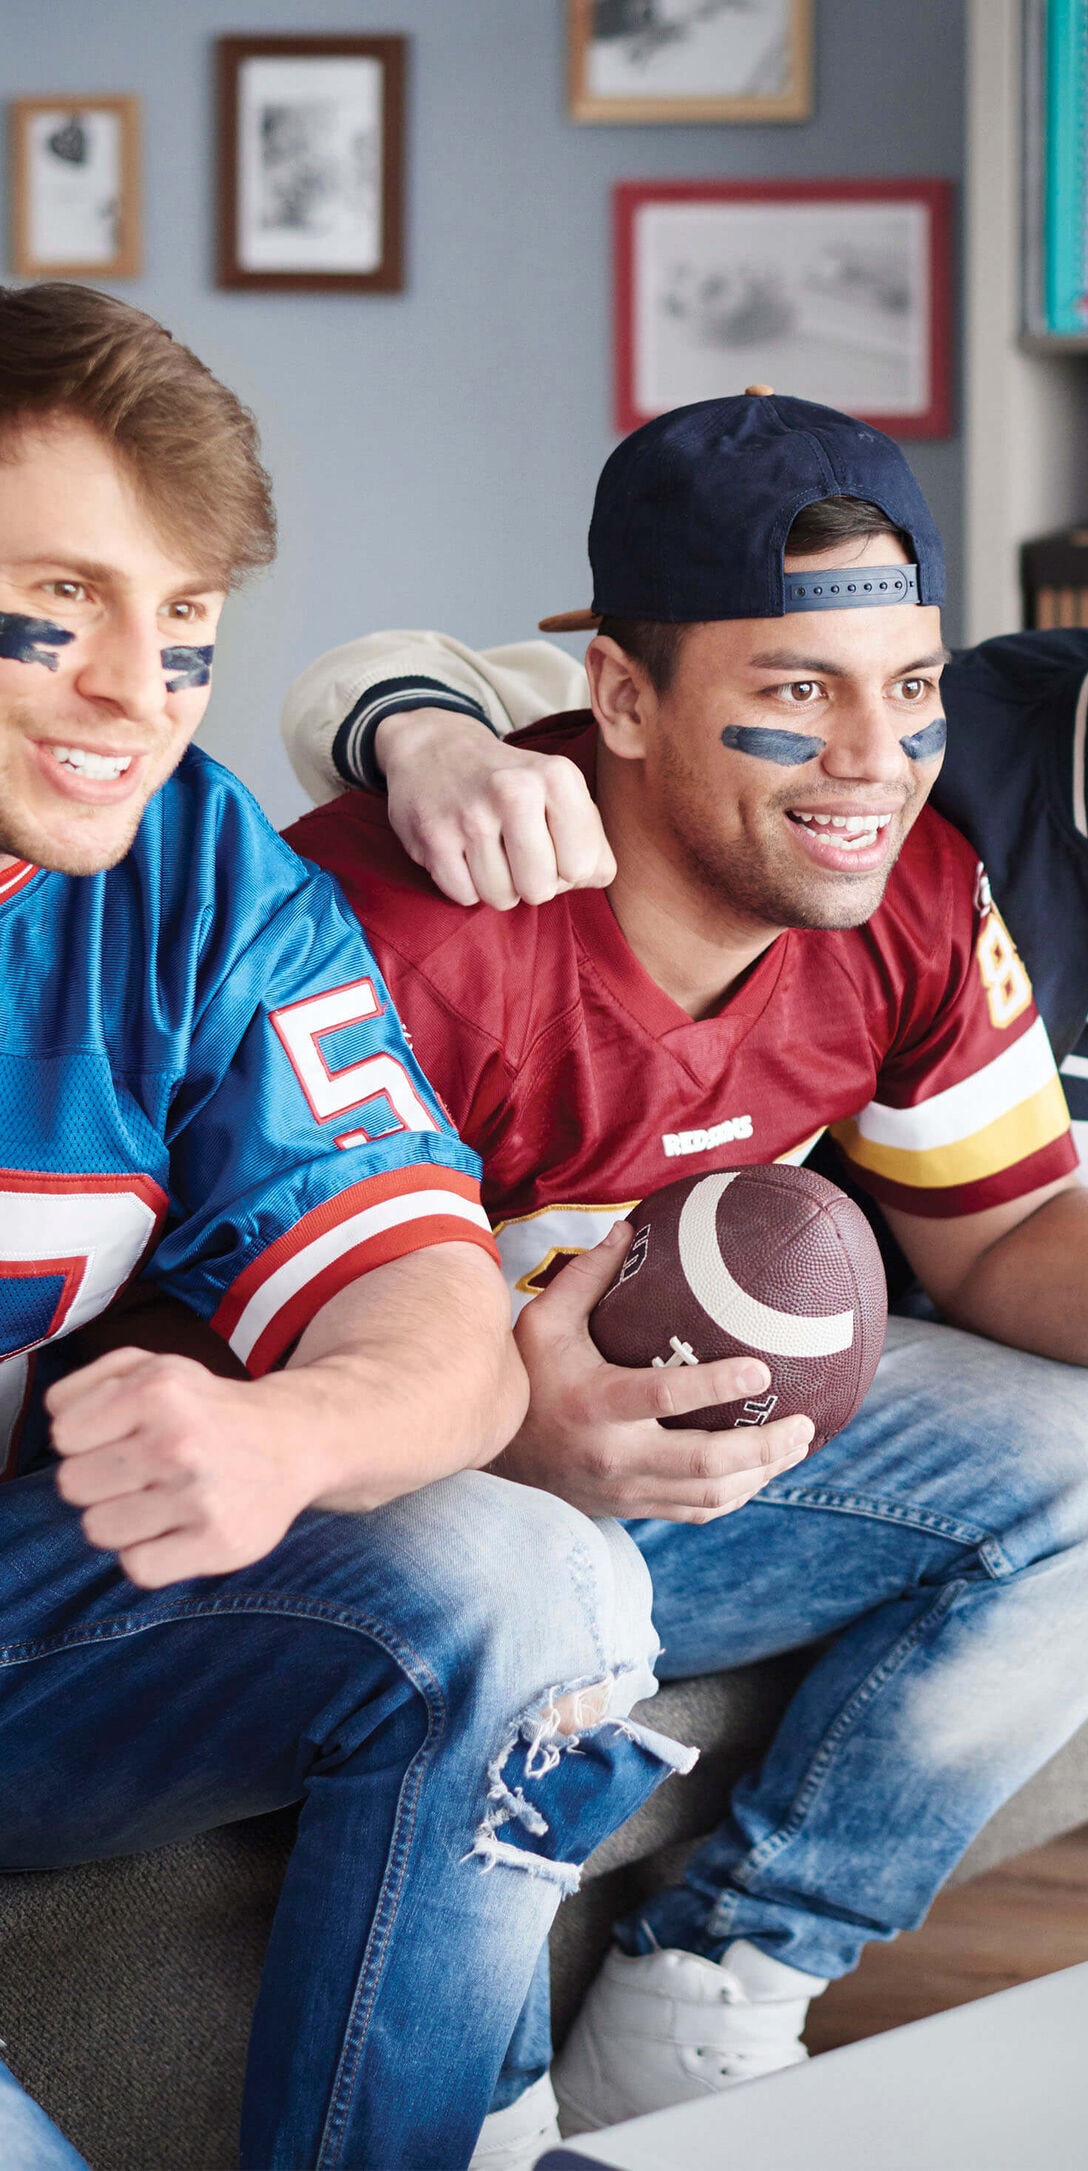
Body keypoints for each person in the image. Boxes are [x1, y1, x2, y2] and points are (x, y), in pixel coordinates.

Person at [281, 388, 1088, 2141]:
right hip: (395, 1492)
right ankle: (481, 2111)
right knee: (523, 1578)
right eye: (795, 699)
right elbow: (240, 1353)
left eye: (904, 696)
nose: (873, 757)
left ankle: (721, 1981)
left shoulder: (907, 877)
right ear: (615, 702)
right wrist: (412, 727)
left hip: (697, 1433)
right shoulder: (438, 899)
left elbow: (1011, 1232)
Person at [0, 284, 691, 2171]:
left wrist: (281, 1433)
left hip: (19, 1627)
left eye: (190, 627)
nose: (138, 688)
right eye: (55, 608)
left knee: (528, 1583)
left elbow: (436, 1318)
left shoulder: (196, 871)